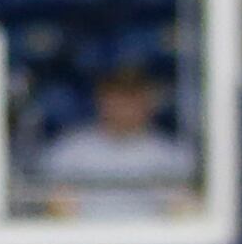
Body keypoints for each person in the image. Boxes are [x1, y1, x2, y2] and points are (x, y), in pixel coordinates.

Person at [32, 69, 199, 217]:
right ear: (101, 99)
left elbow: (183, 211)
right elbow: (53, 206)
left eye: (133, 96)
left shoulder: (171, 154)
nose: (124, 105)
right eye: (116, 96)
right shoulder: (69, 149)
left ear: (149, 101)